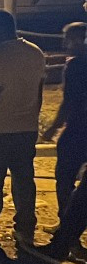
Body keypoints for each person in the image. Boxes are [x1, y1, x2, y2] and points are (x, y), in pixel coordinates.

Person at [0, 8, 45, 246]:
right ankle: (25, 228)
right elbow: (39, 92)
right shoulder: (35, 52)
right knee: (24, 180)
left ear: (0, 27)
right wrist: (32, 117)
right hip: (25, 129)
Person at [43, 23, 87, 219]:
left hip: (78, 128)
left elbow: (69, 100)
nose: (65, 42)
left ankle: (66, 224)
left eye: (69, 38)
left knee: (64, 179)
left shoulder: (75, 65)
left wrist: (53, 127)